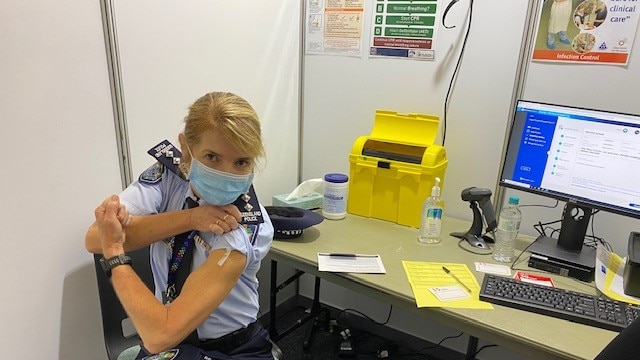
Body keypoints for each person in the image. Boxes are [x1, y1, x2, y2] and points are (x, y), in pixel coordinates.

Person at [86, 91, 276, 359]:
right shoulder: (169, 177)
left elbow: (159, 335)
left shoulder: (245, 227)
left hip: (233, 349)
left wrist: (116, 251)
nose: (226, 174)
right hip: (172, 342)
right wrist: (190, 218)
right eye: (212, 157)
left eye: (241, 162)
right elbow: (94, 238)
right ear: (186, 149)